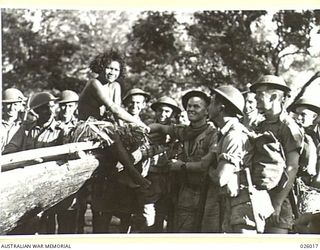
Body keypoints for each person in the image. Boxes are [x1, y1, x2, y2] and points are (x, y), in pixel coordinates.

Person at [77, 50, 150, 233]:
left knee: (125, 134)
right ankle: (134, 174)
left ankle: (129, 197)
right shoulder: (94, 83)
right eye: (109, 68)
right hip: (88, 127)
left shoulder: (116, 86)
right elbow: (114, 109)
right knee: (112, 133)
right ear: (101, 67)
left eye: (116, 70)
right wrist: (137, 122)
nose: (112, 73)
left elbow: (115, 117)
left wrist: (130, 130)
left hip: (106, 127)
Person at [149, 90, 216, 232]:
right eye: (189, 106)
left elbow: (205, 165)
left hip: (206, 195)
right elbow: (162, 127)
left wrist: (181, 166)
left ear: (206, 111)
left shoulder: (213, 134)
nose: (191, 109)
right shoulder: (185, 131)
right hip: (185, 195)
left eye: (196, 106)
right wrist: (142, 129)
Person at [3, 92, 65, 234]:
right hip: (27, 183)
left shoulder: (61, 130)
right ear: (36, 111)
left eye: (51, 107)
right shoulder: (26, 129)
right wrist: (25, 160)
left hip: (52, 183)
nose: (49, 111)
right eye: (44, 108)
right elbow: (10, 150)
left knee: (47, 225)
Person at [250, 75, 304, 234]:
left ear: (274, 96)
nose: (256, 99)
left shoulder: (288, 127)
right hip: (258, 196)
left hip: (279, 198)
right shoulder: (260, 125)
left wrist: (278, 203)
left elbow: (292, 167)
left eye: (259, 94)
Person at [207, 85, 257, 233]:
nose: (208, 107)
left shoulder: (233, 135)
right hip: (235, 203)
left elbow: (221, 178)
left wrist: (207, 168)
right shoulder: (225, 133)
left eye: (211, 103)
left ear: (221, 108)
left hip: (243, 207)